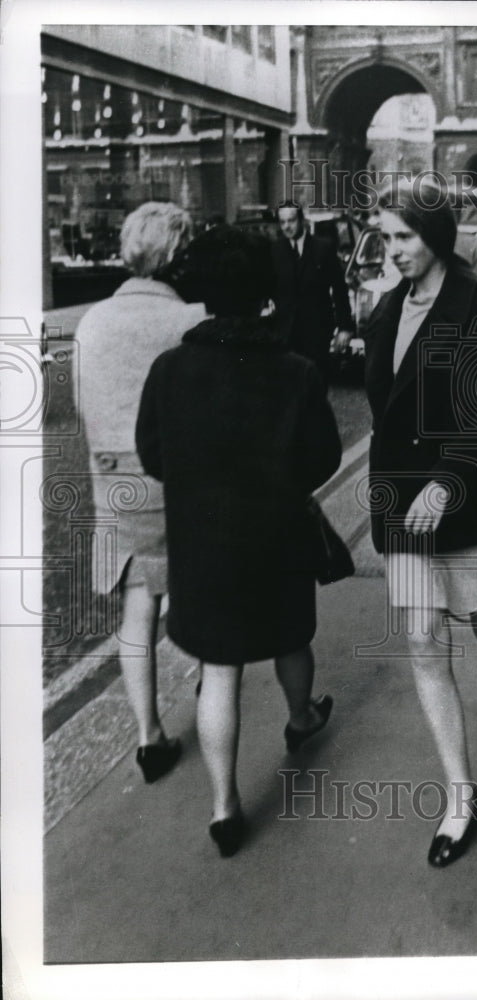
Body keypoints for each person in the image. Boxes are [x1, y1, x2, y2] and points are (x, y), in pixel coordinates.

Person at [136, 226, 342, 856]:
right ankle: (302, 718)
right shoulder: (295, 371)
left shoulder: (170, 368)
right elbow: (325, 455)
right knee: (290, 638)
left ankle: (224, 807)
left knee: (218, 671)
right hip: (276, 539)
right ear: (266, 296)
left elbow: (152, 454)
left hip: (203, 546)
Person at [364, 180, 477, 868]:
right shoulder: (385, 310)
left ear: (436, 235)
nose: (393, 250)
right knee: (421, 640)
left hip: (473, 496)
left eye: (404, 237)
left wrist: (446, 480)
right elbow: (387, 408)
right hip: (403, 506)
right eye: (385, 237)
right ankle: (460, 795)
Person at [74, 201, 206, 784]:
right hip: (175, 475)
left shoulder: (92, 321)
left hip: (112, 475)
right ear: (177, 255)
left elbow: (82, 401)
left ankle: (149, 735)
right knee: (193, 585)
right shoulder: (189, 320)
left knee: (136, 605)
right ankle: (211, 690)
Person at [268, 201, 354, 384]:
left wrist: (345, 328)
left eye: (291, 221)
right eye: (282, 222)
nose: (286, 227)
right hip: (286, 335)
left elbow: (339, 289)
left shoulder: (323, 248)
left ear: (301, 220)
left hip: (318, 333)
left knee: (316, 388)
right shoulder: (275, 251)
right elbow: (268, 287)